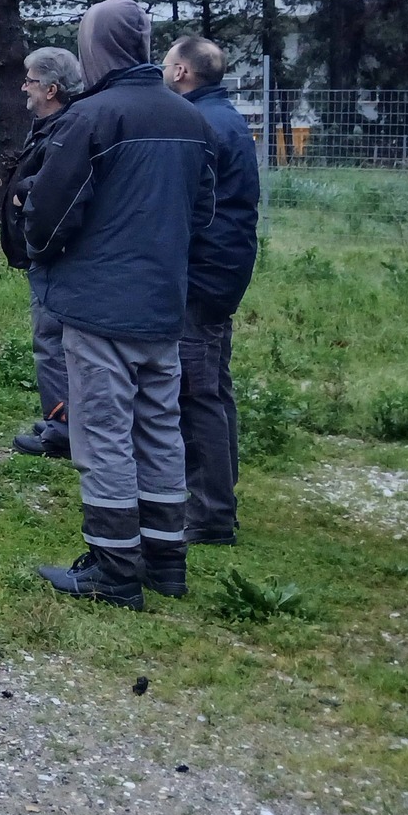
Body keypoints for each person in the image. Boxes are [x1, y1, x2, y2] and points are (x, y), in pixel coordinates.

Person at [25, 0, 214, 608]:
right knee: (160, 430)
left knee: (102, 433)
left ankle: (113, 570)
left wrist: (46, 256)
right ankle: (166, 562)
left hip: (100, 307)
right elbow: (203, 213)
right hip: (164, 305)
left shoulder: (93, 118)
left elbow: (50, 217)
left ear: (94, 47)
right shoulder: (190, 119)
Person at [163, 35, 260, 545]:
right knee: (215, 390)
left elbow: (191, 206)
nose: (163, 72)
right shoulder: (226, 115)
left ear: (183, 73)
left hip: (202, 274)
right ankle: (216, 501)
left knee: (196, 393)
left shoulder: (198, 124)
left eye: (166, 64)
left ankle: (210, 515)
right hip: (223, 271)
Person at [2, 46, 82, 458]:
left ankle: (62, 431)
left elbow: (55, 188)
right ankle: (63, 417)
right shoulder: (53, 125)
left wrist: (23, 198)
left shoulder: (66, 128)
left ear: (51, 88)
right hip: (47, 253)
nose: (24, 88)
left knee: (51, 341)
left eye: (30, 81)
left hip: (54, 255)